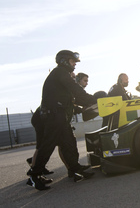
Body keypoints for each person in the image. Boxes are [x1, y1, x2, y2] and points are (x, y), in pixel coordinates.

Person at [27, 50, 97, 190]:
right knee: (47, 146)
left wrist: (86, 104)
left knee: (69, 143)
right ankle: (35, 176)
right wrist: (95, 99)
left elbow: (71, 100)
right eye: (73, 62)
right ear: (64, 60)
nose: (74, 65)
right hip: (53, 116)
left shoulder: (60, 74)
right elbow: (76, 89)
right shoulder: (60, 73)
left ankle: (75, 168)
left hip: (58, 116)